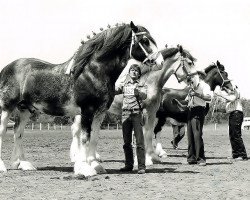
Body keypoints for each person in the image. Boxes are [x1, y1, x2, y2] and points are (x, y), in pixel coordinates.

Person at [115, 64, 147, 174]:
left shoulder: (141, 84)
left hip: (136, 113)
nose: (134, 72)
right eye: (132, 70)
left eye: (136, 71)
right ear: (129, 72)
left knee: (139, 141)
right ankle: (128, 165)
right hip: (125, 113)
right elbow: (115, 90)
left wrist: (139, 92)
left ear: (139, 74)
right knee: (126, 142)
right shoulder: (124, 84)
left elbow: (144, 96)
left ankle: (141, 166)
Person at [185, 73, 213, 166]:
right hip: (190, 110)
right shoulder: (191, 87)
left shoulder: (205, 86)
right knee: (190, 135)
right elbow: (187, 101)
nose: (190, 82)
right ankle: (191, 158)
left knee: (197, 135)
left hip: (198, 110)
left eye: (192, 79)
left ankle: (201, 158)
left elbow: (209, 98)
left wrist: (197, 94)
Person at [214, 85, 248, 161]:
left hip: (237, 114)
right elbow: (227, 110)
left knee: (236, 135)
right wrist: (218, 110)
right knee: (232, 135)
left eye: (226, 88)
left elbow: (232, 99)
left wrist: (220, 94)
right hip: (233, 115)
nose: (225, 89)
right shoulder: (229, 97)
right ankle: (236, 154)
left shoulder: (235, 92)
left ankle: (243, 155)